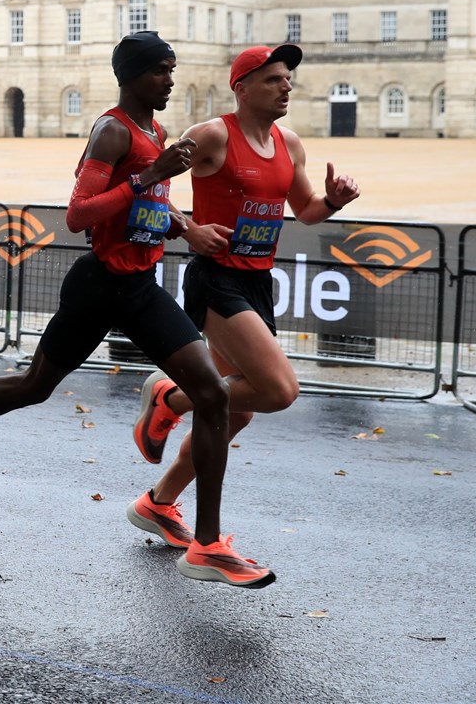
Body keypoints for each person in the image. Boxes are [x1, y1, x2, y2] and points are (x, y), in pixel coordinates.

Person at [0, 33, 272, 586]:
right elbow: (78, 215)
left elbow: (150, 204)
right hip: (99, 285)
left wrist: (186, 227)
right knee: (35, 386)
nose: (170, 80)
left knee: (213, 393)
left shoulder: (155, 131)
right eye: (161, 72)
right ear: (133, 77)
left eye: (172, 70)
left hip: (141, 285)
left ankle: (207, 544)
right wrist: (151, 175)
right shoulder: (114, 129)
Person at [131, 43, 360, 580]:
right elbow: (147, 183)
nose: (286, 87)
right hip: (216, 282)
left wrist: (332, 202)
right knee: (279, 390)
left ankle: (158, 503)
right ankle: (173, 396)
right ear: (242, 87)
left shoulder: (290, 143)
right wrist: (189, 228)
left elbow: (302, 210)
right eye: (275, 79)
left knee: (237, 411)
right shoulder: (212, 136)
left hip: (257, 285)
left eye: (288, 80)